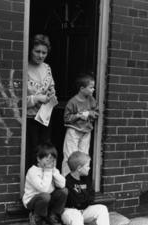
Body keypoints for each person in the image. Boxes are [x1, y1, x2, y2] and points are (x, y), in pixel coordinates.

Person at [26, 34, 57, 171]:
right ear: (30, 50)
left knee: (46, 151)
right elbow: (17, 100)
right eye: (37, 51)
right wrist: (37, 98)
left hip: (45, 117)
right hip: (30, 118)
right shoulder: (24, 68)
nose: (41, 55)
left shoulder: (47, 68)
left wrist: (51, 93)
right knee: (32, 151)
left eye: (44, 52)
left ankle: (45, 180)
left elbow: (51, 87)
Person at [62, 74, 98, 176]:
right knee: (70, 156)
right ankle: (66, 180)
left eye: (93, 87)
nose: (93, 89)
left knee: (84, 156)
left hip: (86, 132)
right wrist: (78, 116)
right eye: (91, 87)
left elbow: (97, 112)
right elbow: (66, 118)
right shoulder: (72, 102)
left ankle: (82, 180)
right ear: (82, 88)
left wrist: (90, 113)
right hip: (73, 131)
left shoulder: (91, 100)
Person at [22, 143, 68, 225]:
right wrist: (48, 171)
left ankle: (52, 215)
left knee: (64, 191)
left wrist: (54, 172)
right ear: (38, 159)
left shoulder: (52, 169)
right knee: (45, 196)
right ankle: (37, 216)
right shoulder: (33, 171)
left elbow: (62, 184)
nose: (50, 162)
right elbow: (44, 189)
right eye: (47, 160)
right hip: (33, 200)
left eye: (53, 160)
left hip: (48, 198)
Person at [61, 151, 109, 225]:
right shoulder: (67, 181)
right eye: (87, 166)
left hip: (84, 210)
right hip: (70, 211)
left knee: (102, 208)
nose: (89, 168)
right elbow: (75, 201)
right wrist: (85, 196)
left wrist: (82, 197)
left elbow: (91, 197)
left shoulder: (86, 179)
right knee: (76, 216)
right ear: (79, 168)